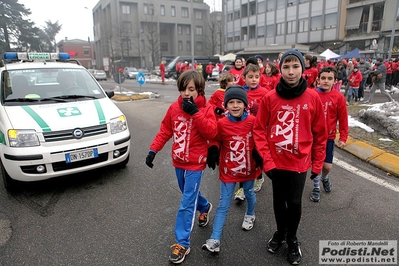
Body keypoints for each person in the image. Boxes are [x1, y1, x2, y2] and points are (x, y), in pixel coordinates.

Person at [253, 49, 327, 265]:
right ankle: (280, 232)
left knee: (294, 203)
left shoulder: (313, 97)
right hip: (276, 163)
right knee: (278, 202)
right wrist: (267, 160)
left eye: (296, 66)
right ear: (280, 68)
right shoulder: (269, 97)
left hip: (299, 163)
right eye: (286, 66)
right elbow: (258, 130)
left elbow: (320, 133)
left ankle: (292, 239)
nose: (291, 71)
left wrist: (318, 162)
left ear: (302, 69)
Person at [145, 70, 217, 264]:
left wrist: (195, 112)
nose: (186, 93)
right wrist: (153, 150)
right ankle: (205, 206)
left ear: (199, 90)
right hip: (178, 161)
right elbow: (165, 130)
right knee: (187, 193)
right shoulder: (174, 109)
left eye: (191, 89)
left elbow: (212, 131)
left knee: (186, 203)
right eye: (183, 89)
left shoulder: (206, 109)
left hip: (196, 162)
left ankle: (182, 243)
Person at [202, 85, 261, 253]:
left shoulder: (252, 122)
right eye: (231, 102)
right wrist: (213, 149)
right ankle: (215, 239)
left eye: (239, 102)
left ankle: (250, 214)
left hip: (249, 170)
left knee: (249, 193)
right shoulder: (221, 124)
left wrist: (259, 152)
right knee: (223, 204)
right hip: (229, 171)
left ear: (245, 105)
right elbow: (216, 139)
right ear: (226, 105)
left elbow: (260, 138)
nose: (235, 106)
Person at [310, 66, 349, 202]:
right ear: (318, 80)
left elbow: (343, 119)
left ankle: (324, 177)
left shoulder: (339, 98)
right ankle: (316, 188)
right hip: (313, 137)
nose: (326, 81)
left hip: (329, 138)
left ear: (335, 81)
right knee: (316, 164)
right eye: (323, 78)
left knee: (327, 166)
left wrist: (343, 137)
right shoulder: (312, 94)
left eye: (329, 79)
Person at [234, 63, 270, 200]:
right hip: (243, 130)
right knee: (244, 157)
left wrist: (259, 109)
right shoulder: (241, 92)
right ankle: (241, 189)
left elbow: (270, 112)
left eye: (256, 77)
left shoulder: (265, 93)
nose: (254, 79)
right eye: (250, 77)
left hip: (260, 131)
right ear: (244, 78)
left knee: (256, 156)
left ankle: (259, 177)